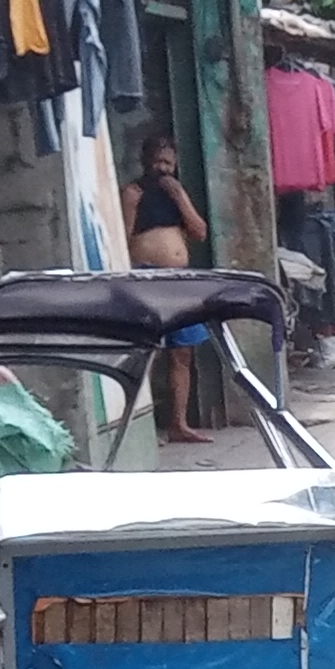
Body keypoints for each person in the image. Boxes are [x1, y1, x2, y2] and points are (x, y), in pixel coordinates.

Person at [128, 131, 215, 443]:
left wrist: (179, 196)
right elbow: (122, 237)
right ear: (145, 162)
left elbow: (200, 231)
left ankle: (179, 423)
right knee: (146, 351)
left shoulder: (176, 195)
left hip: (179, 280)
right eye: (157, 162)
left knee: (183, 353)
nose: (162, 169)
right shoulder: (134, 193)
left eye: (168, 163)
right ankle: (140, 425)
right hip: (146, 278)